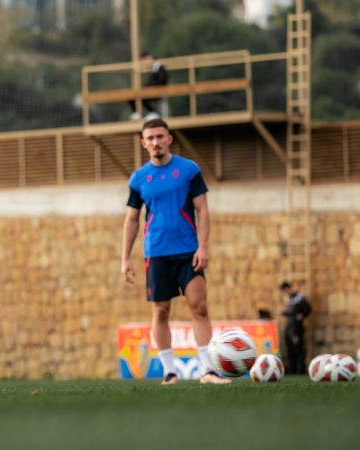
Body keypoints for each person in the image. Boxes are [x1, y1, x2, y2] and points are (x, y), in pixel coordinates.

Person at [120, 118, 229, 385]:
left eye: (160, 136)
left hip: (188, 250)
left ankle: (208, 370)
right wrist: (125, 258)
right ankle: (170, 372)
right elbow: (132, 219)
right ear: (144, 143)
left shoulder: (189, 170)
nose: (156, 142)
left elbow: (202, 209)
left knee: (199, 306)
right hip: (156, 253)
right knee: (161, 311)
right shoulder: (139, 178)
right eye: (151, 138)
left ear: (169, 138)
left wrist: (203, 246)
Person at [279, 281, 312, 374]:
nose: (285, 293)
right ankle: (293, 370)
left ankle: (300, 370)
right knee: (290, 350)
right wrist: (283, 312)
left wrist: (302, 315)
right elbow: (291, 313)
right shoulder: (289, 299)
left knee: (298, 349)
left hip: (297, 328)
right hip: (289, 327)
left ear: (288, 289)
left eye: (285, 291)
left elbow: (309, 308)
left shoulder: (299, 297)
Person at [129, 52, 168, 121]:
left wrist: (150, 87)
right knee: (131, 98)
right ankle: (140, 113)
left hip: (158, 90)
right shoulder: (153, 68)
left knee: (141, 97)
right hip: (153, 89)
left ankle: (152, 113)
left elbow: (162, 80)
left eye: (144, 61)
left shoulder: (159, 67)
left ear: (149, 57)